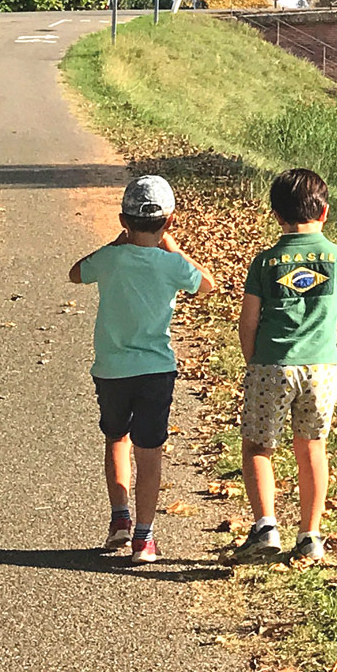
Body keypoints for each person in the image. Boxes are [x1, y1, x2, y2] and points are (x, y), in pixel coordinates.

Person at [70, 175, 215, 564]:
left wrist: (117, 244)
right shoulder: (171, 265)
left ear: (123, 220)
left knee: (116, 437)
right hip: (156, 370)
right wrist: (172, 244)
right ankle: (144, 538)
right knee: (149, 451)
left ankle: (119, 517)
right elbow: (207, 285)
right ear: (169, 221)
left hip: (112, 368)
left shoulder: (110, 259)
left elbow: (76, 273)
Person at [228, 168, 337, 563]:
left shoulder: (266, 262)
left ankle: (266, 527)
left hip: (272, 365)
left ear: (276, 215)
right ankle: (311, 536)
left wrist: (254, 361)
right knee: (312, 448)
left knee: (257, 446)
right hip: (321, 368)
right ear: (325, 213)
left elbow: (248, 320)